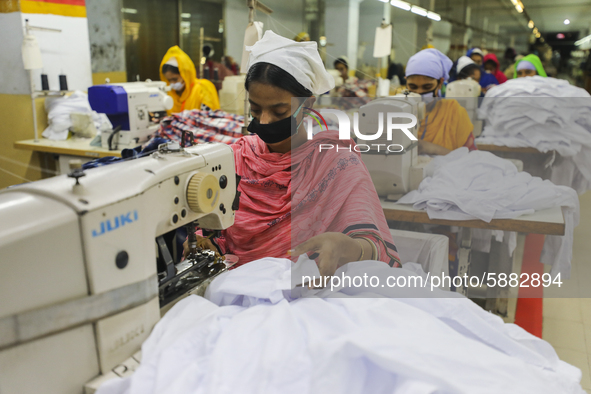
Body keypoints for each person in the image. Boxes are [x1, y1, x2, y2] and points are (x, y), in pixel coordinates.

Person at [184, 31, 401, 276]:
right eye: (255, 110)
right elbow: (214, 229)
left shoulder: (337, 164)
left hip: (310, 297)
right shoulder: (234, 158)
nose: (264, 122)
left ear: (307, 105)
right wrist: (207, 241)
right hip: (236, 287)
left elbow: (375, 247)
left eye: (279, 111)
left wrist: (348, 247)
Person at [405, 48, 477, 155]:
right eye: (412, 86)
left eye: (427, 87)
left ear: (440, 83)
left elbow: (471, 158)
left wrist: (432, 149)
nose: (419, 92)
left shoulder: (455, 113)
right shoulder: (399, 110)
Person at [160, 46, 220, 115]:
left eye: (175, 79)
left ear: (185, 74)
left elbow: (208, 118)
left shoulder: (201, 89)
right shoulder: (171, 94)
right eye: (169, 80)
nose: (172, 83)